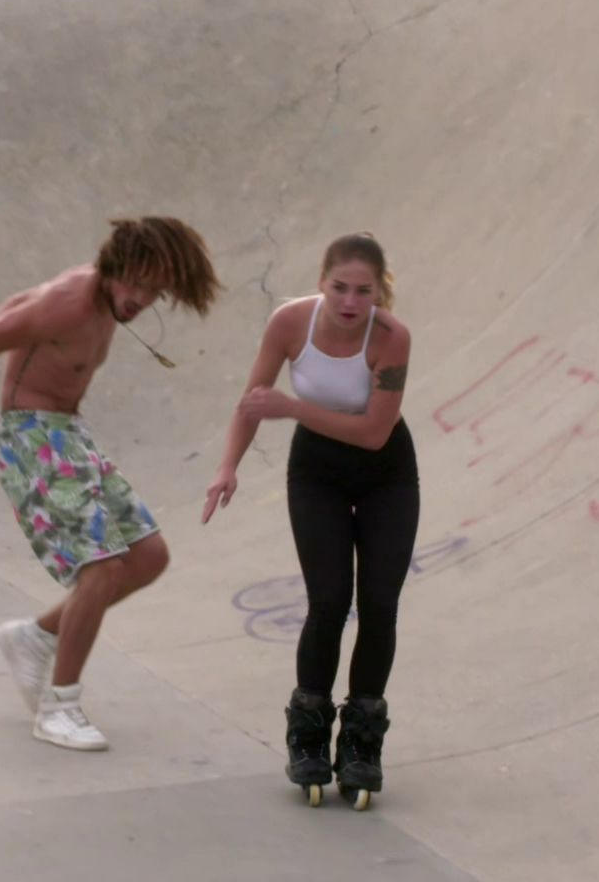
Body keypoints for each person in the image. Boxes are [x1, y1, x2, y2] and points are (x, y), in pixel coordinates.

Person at [0, 217, 221, 750]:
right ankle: (59, 708)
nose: (140, 300)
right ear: (115, 265)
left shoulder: (94, 296)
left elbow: (13, 306)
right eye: (136, 284)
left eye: (155, 291)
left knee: (148, 555)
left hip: (68, 434)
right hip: (32, 438)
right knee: (101, 566)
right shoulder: (70, 302)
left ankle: (37, 636)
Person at [202, 232, 418, 805]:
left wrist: (294, 408)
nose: (349, 301)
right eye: (339, 287)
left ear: (379, 292)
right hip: (317, 473)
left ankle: (362, 744)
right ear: (321, 282)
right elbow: (254, 400)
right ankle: (308, 735)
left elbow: (373, 433)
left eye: (363, 291)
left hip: (386, 473)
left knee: (380, 604)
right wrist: (227, 466)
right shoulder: (290, 323)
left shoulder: (392, 337)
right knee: (329, 601)